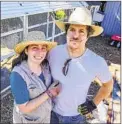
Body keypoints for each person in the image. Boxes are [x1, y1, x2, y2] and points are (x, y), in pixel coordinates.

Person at [47, 7, 113, 123]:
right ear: (66, 32)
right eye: (72, 29)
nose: (76, 35)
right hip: (50, 112)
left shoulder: (96, 62)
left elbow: (108, 85)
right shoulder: (53, 52)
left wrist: (93, 104)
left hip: (75, 117)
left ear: (88, 35)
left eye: (81, 31)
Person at [10, 31, 61, 123]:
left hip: (46, 117)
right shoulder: (18, 75)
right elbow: (24, 108)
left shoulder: (46, 66)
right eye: (35, 48)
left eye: (43, 48)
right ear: (26, 50)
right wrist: (49, 93)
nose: (40, 52)